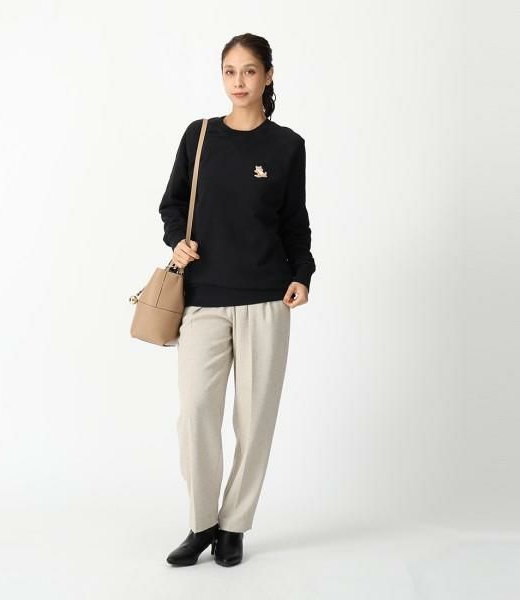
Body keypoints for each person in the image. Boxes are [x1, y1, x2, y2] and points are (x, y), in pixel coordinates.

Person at [158, 33, 316, 567]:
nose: (239, 82)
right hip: (203, 297)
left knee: (254, 421)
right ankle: (202, 522)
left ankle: (234, 527)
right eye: (230, 71)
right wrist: (176, 239)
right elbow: (172, 203)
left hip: (266, 299)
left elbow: (294, 221)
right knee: (195, 414)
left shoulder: (287, 145)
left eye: (249, 71)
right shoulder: (199, 135)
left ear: (268, 75)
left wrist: (303, 274)